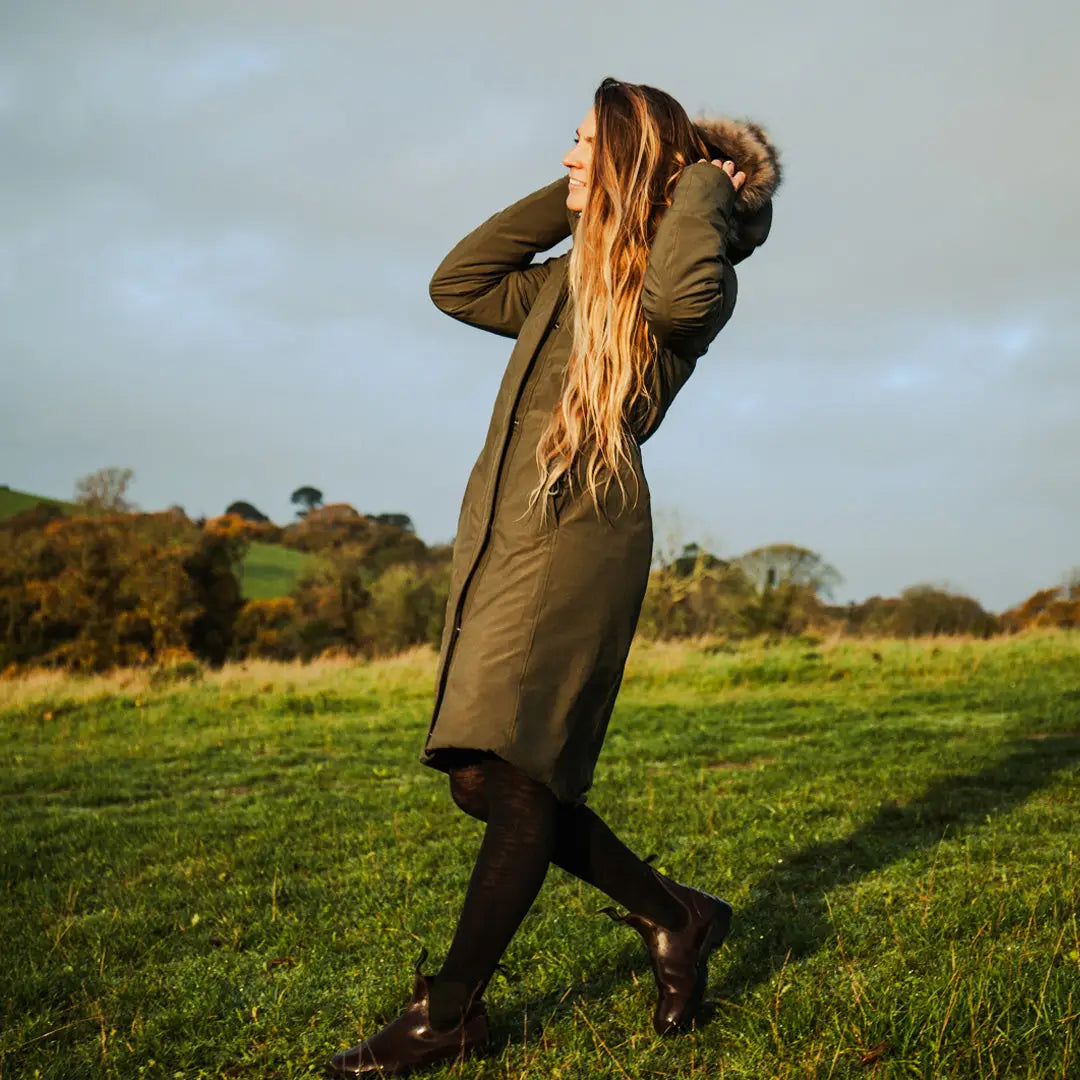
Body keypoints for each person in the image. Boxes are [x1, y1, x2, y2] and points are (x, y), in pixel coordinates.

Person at [326, 76, 781, 1077]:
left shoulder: (684, 270)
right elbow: (460, 282)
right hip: (508, 535)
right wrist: (575, 193)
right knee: (483, 779)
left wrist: (696, 186)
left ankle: (449, 1014)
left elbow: (679, 296)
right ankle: (678, 915)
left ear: (632, 163)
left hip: (579, 539)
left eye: (584, 147)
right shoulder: (568, 279)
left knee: (518, 778)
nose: (567, 158)